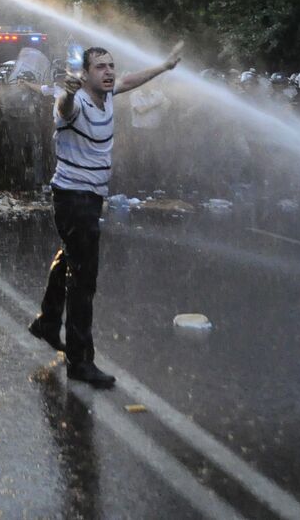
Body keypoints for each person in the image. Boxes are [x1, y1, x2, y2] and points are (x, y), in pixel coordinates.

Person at [28, 42, 183, 388]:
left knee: (69, 259)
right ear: (83, 75)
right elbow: (64, 107)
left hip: (91, 196)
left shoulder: (108, 95)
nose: (109, 72)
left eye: (111, 65)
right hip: (73, 197)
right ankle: (80, 361)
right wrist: (68, 93)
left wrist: (163, 66)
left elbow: (130, 80)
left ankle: (47, 322)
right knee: (84, 281)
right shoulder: (75, 103)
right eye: (100, 67)